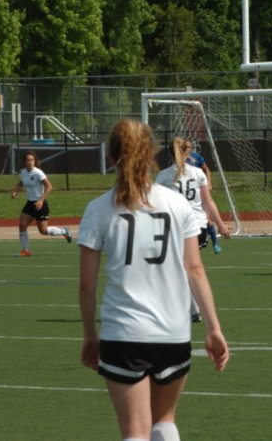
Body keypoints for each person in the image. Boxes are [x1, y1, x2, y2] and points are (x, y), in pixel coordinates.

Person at [77, 119, 229, 441]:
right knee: (164, 421)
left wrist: (90, 334)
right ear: (152, 154)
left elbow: (87, 285)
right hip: (172, 331)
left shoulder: (98, 209)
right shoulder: (177, 204)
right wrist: (213, 328)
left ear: (110, 156)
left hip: (123, 332)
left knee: (135, 430)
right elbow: (195, 269)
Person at [156, 136, 231, 322]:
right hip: (197, 225)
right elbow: (208, 201)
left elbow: (156, 205)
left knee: (177, 268)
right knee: (192, 267)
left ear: (170, 153)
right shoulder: (198, 173)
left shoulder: (163, 175)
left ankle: (187, 307)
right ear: (187, 152)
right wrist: (220, 224)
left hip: (175, 225)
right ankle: (193, 308)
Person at [11, 151, 71, 256]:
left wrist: (41, 200)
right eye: (28, 160)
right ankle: (26, 251)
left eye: (32, 160)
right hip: (30, 204)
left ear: (34, 161)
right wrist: (15, 191)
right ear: (24, 162)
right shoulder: (23, 172)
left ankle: (64, 232)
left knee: (43, 231)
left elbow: (49, 187)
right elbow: (20, 183)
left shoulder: (38, 173)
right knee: (22, 226)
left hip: (40, 205)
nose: (30, 162)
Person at [184, 140, 223, 253]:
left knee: (207, 218)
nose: (187, 149)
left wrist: (208, 183)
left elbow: (206, 169)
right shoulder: (177, 159)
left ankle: (215, 243)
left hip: (198, 191)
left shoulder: (196, 157)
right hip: (185, 193)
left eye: (189, 147)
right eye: (185, 147)